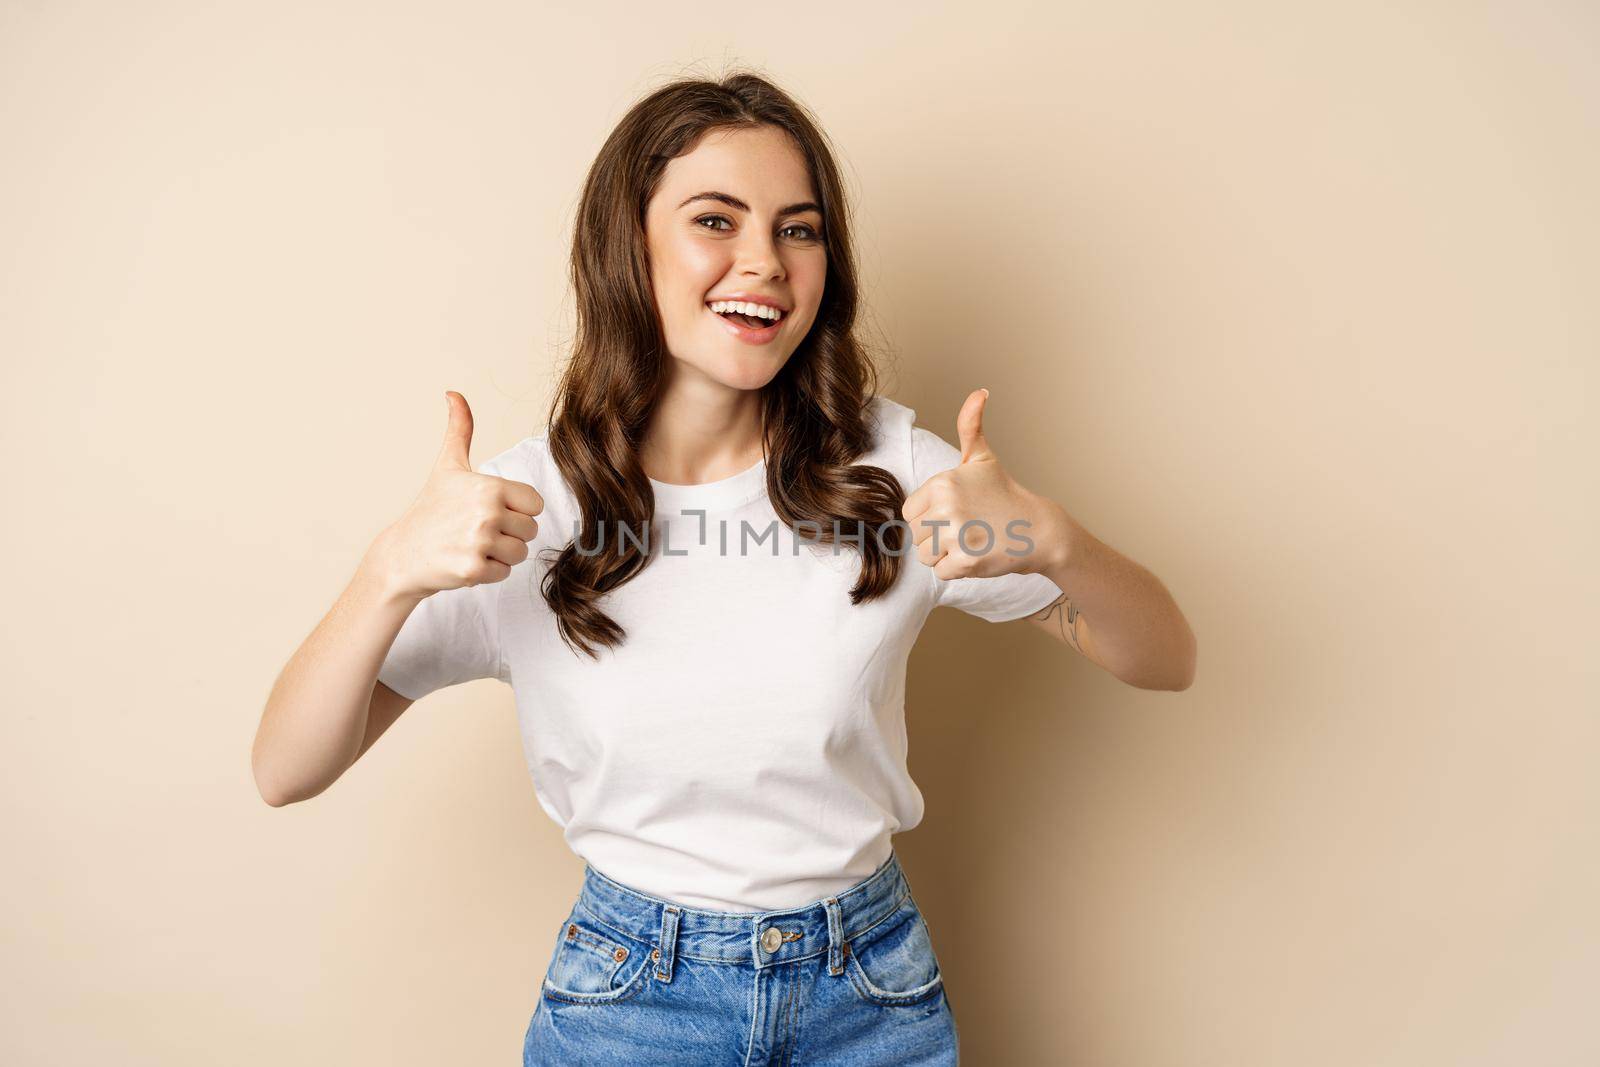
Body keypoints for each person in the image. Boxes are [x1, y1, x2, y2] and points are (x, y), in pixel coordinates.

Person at [252, 70, 1196, 1066]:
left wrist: (1054, 541)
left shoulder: (901, 474)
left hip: (870, 995)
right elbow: (285, 767)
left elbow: (1162, 655)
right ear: (630, 246)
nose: (767, 263)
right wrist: (388, 570)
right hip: (629, 1003)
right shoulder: (523, 507)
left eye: (799, 228)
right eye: (716, 219)